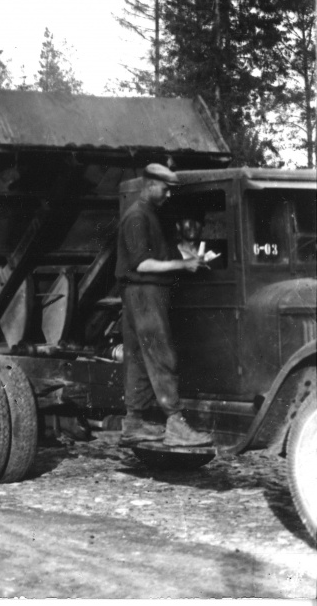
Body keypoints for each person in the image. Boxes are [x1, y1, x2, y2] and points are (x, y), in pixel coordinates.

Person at [116, 163, 213, 448]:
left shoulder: (149, 215)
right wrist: (183, 264)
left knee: (137, 358)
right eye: (166, 188)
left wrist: (188, 258)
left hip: (141, 293)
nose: (169, 194)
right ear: (150, 185)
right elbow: (142, 263)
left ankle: (133, 424)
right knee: (161, 354)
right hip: (144, 292)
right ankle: (175, 423)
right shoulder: (136, 217)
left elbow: (157, 254)